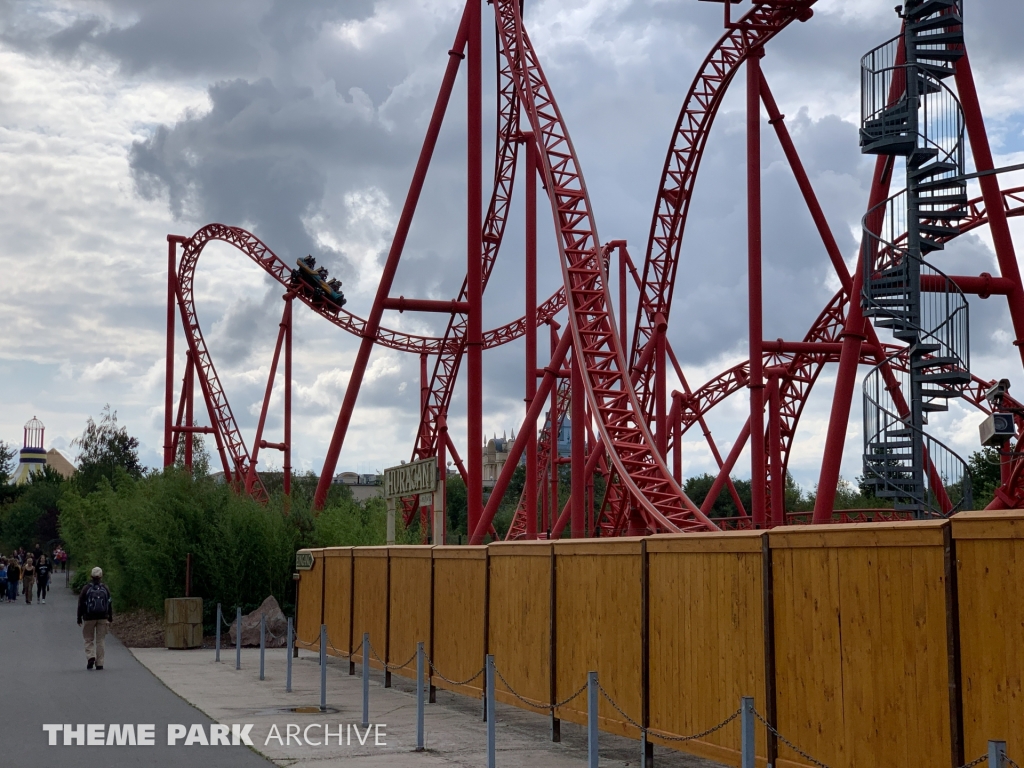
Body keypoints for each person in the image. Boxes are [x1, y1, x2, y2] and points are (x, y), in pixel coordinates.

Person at [77, 567, 113, 670]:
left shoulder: (86, 588)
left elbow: (81, 604)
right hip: (102, 617)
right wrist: (110, 616)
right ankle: (100, 662)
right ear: (101, 576)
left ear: (91, 576)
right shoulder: (105, 588)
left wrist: (79, 617)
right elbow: (109, 603)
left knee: (88, 638)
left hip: (89, 617)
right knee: (100, 640)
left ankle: (91, 656)